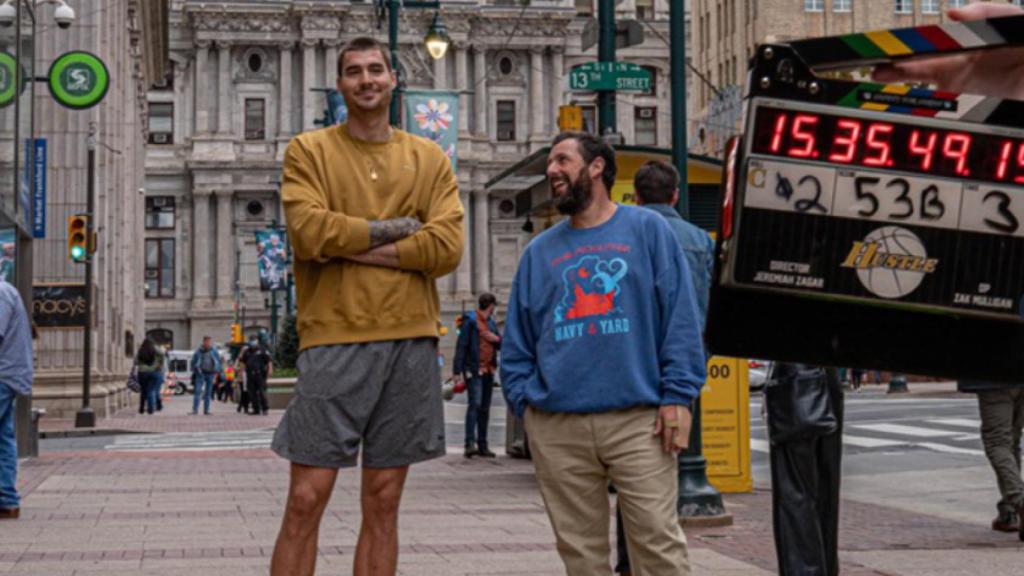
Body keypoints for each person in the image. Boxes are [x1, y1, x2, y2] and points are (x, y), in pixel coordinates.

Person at [269, 36, 463, 576]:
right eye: (354, 72)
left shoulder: (428, 158)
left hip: (411, 338)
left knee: (383, 500)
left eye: (376, 69)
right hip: (333, 337)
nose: (367, 80)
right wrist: (400, 232)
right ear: (340, 84)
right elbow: (309, 233)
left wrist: (350, 245)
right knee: (306, 498)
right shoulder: (309, 151)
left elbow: (446, 248)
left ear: (394, 79)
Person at [501, 132, 706, 575]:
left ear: (596, 167)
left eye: (562, 160)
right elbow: (517, 340)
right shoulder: (539, 253)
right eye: (550, 162)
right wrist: (527, 407)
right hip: (557, 425)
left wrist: (678, 396)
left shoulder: (648, 231)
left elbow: (680, 318)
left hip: (640, 421)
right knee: (581, 556)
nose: (552, 170)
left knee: (658, 545)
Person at [875, 0, 1024, 541]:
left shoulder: (976, 260)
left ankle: (1017, 502)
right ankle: (1012, 509)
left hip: (993, 362)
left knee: (998, 441)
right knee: (1013, 439)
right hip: (1012, 361)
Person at [612, 160, 716, 575]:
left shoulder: (626, 235)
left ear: (636, 196)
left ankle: (629, 560)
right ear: (675, 195)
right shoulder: (697, 240)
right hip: (680, 372)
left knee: (632, 470)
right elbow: (706, 309)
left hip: (635, 368)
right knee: (662, 466)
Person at [453, 293, 501, 458]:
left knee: (485, 408)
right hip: (474, 370)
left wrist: (497, 339)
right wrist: (456, 371)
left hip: (489, 370)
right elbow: (462, 345)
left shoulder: (492, 324)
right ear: (491, 306)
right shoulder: (470, 321)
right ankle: (469, 444)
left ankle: (483, 445)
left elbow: (500, 344)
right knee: (475, 404)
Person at [0, 280, 33, 519]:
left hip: (2, 374)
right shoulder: (7, 292)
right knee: (3, 438)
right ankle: (7, 500)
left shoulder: (1, 294)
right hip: (8, 375)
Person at [238, 338, 273, 416]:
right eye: (251, 341)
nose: (252, 343)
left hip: (259, 374)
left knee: (262, 391)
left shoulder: (262, 350)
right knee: (252, 392)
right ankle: (256, 409)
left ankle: (265, 409)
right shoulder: (247, 352)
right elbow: (243, 363)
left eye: (254, 341)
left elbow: (269, 361)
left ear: (257, 342)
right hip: (249, 374)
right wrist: (241, 372)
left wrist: (270, 370)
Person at [190, 336, 222, 416]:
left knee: (208, 392)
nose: (208, 343)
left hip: (211, 373)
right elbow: (193, 361)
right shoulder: (198, 351)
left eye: (209, 342)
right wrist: (195, 370)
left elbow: (218, 361)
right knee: (197, 391)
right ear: (204, 342)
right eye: (206, 342)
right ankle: (195, 410)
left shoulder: (214, 351)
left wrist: (217, 372)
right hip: (201, 374)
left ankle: (206, 410)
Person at [135, 339, 164, 415]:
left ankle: (141, 408)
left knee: (143, 391)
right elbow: (162, 353)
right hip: (154, 371)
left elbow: (136, 362)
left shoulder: (141, 350)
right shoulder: (155, 349)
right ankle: (151, 408)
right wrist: (160, 364)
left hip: (142, 372)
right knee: (151, 390)